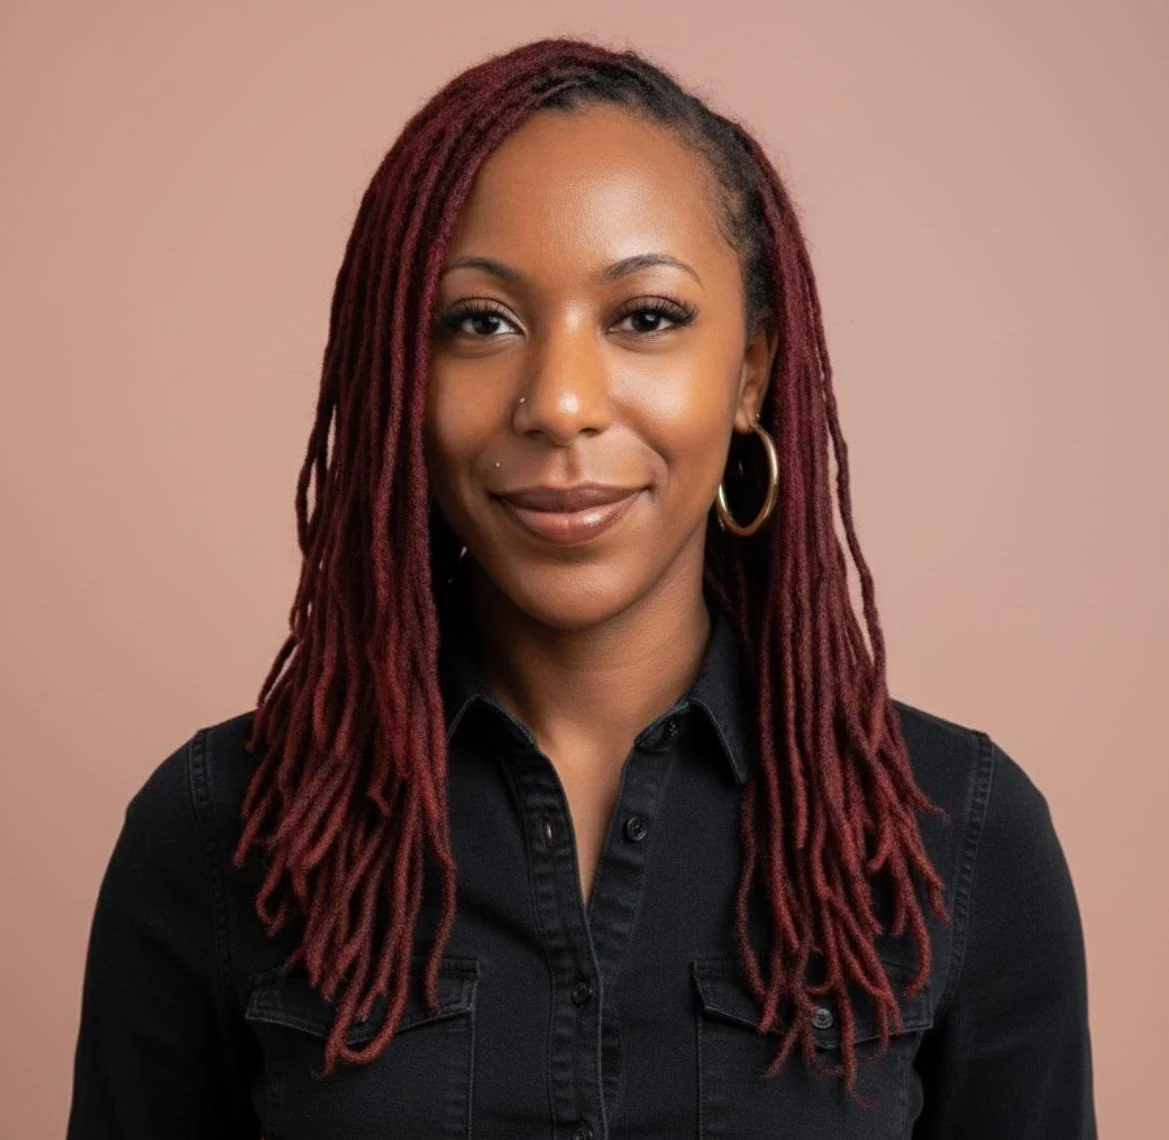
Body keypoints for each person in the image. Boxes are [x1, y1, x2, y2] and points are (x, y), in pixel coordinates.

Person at [65, 36, 1096, 1139]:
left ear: (751, 371)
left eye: (645, 317)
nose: (559, 403)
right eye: (480, 322)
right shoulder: (217, 833)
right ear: (400, 377)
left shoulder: (959, 837)